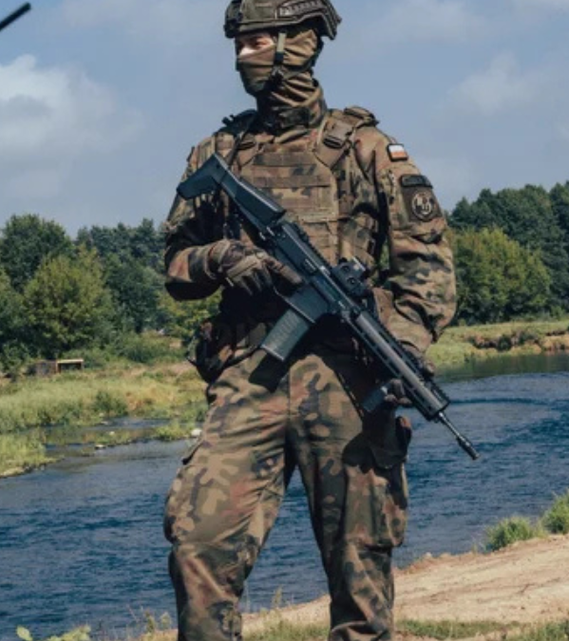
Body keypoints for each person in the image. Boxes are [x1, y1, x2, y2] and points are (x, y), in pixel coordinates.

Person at [161, 1, 457, 640]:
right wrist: (221, 256)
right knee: (198, 544)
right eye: (239, 43)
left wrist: (402, 345)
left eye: (258, 40)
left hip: (350, 378)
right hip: (249, 375)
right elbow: (174, 265)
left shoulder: (368, 149)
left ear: (301, 43)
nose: (243, 55)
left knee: (360, 565)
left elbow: (427, 267)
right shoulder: (218, 152)